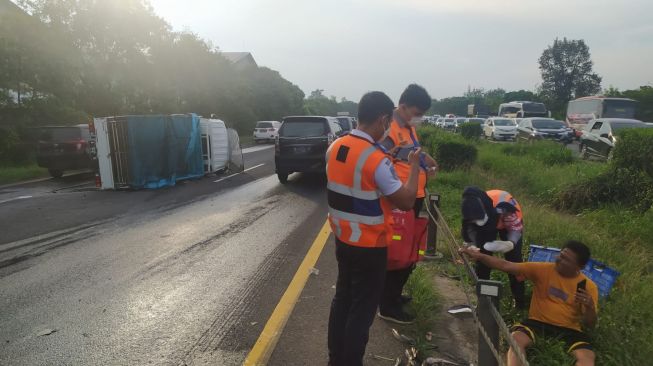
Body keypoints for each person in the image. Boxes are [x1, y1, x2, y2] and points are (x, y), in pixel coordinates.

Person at [326, 91, 422, 366]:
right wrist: (413, 167)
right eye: (388, 122)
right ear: (382, 119)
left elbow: (353, 182)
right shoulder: (376, 159)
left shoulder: (335, 147)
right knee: (362, 310)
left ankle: (336, 360)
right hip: (370, 246)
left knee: (342, 300)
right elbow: (405, 201)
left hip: (343, 239)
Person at [461, 240, 598, 366]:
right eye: (560, 255)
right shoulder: (543, 269)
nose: (559, 260)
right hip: (537, 323)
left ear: (580, 266)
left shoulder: (588, 287)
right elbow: (506, 265)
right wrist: (480, 256)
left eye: (566, 260)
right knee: (516, 339)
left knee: (587, 357)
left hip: (570, 331)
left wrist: (590, 307)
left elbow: (589, 324)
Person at [378, 84, 438, 324]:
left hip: (414, 196)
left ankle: (393, 295)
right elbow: (380, 162)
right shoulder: (388, 129)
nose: (420, 118)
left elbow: (415, 152)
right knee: (397, 254)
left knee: (409, 253)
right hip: (399, 200)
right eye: (417, 112)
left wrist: (429, 161)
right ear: (402, 107)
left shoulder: (408, 127)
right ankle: (387, 305)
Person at [461, 186, 526, 309]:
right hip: (489, 223)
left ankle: (519, 302)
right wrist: (472, 245)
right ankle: (483, 300)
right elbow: (469, 229)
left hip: (509, 225)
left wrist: (511, 243)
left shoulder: (506, 208)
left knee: (514, 261)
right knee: (482, 260)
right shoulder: (471, 207)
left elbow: (515, 229)